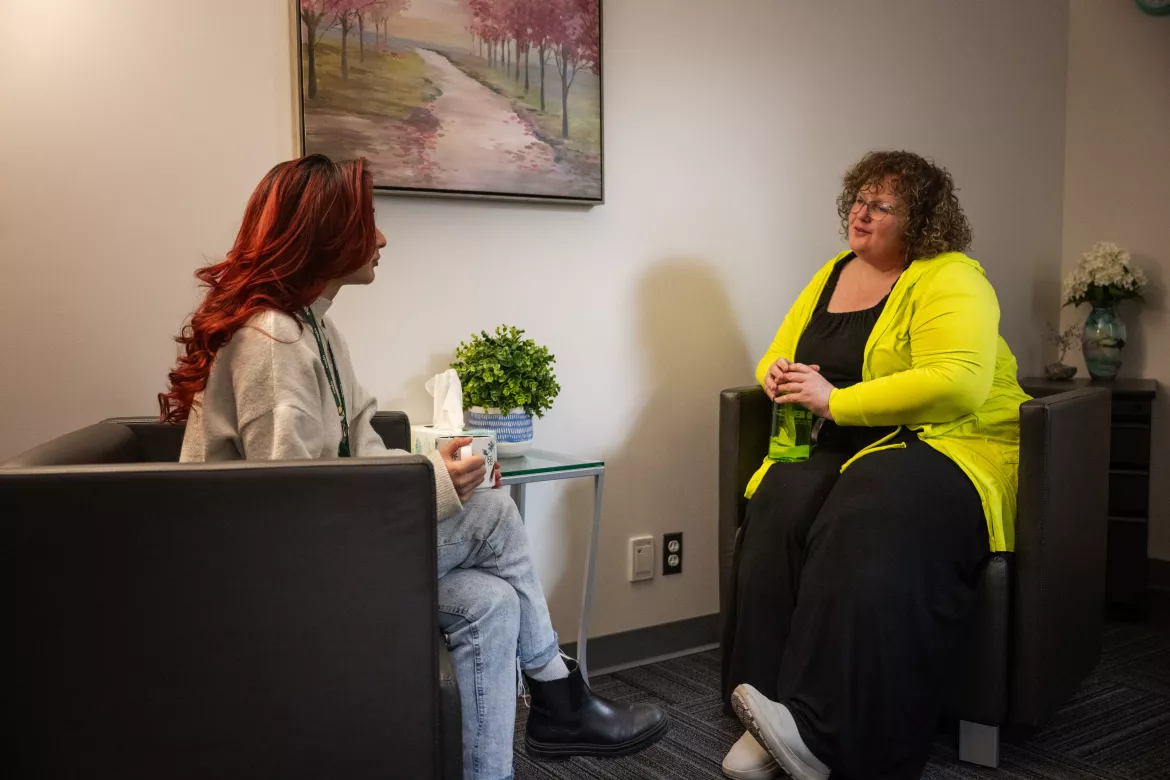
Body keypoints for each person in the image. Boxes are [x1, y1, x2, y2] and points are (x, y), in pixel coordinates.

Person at [161, 154, 668, 780]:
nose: (380, 237)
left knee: (489, 601)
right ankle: (559, 694)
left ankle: (516, 749)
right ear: (325, 234)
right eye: (367, 221)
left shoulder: (316, 331)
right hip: (268, 586)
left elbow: (363, 455)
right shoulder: (270, 341)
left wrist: (447, 471)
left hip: (318, 557)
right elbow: (288, 507)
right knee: (490, 511)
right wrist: (442, 486)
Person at [720, 151, 1028, 780]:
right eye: (858, 198)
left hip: (952, 439)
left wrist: (836, 402)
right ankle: (762, 705)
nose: (861, 212)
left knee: (868, 502)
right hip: (850, 438)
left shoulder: (952, 277)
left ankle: (823, 731)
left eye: (882, 204)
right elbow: (781, 351)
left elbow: (959, 385)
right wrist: (773, 374)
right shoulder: (835, 271)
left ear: (919, 221)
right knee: (780, 496)